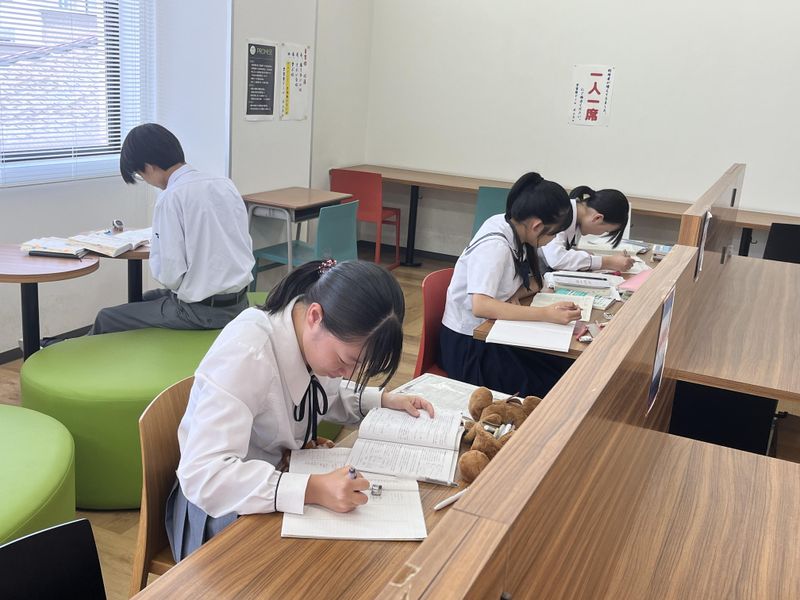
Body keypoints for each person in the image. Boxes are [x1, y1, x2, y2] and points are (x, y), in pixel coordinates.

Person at [165, 259, 434, 560]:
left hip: (276, 484)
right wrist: (313, 489)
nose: (347, 374)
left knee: (351, 554)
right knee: (325, 564)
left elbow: (325, 394)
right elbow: (205, 475)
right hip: (222, 510)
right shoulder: (247, 353)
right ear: (315, 316)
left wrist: (382, 401)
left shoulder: (310, 336)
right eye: (345, 361)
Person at [89, 123, 255, 334]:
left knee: (107, 317)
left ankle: (72, 351)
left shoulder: (171, 197)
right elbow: (243, 243)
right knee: (143, 299)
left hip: (201, 313)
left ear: (149, 167)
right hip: (239, 302)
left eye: (140, 174)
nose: (146, 180)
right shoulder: (224, 184)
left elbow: (170, 275)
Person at [439, 172, 582, 397]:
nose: (553, 240)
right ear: (537, 226)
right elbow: (481, 306)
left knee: (565, 367)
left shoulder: (514, 228)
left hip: (493, 332)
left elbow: (533, 282)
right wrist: (546, 314)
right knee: (552, 385)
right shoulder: (495, 246)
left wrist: (515, 295)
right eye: (554, 233)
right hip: (471, 346)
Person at [539, 186, 634, 272]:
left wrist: (584, 256)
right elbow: (556, 259)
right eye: (605, 231)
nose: (601, 233)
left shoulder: (576, 217)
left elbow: (560, 249)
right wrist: (608, 262)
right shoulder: (561, 214)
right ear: (597, 218)